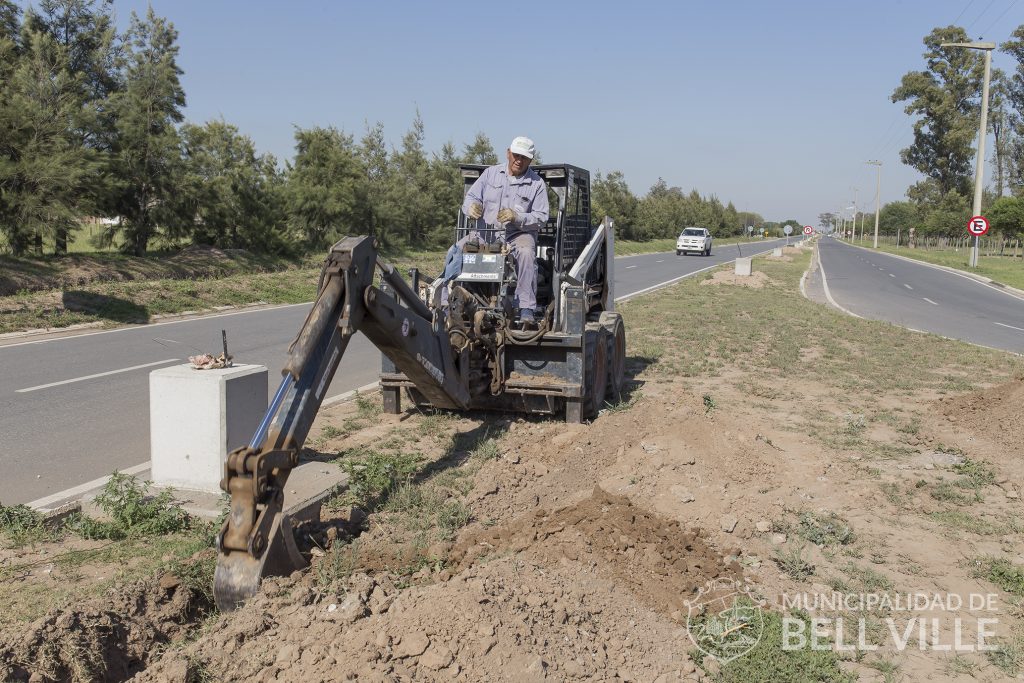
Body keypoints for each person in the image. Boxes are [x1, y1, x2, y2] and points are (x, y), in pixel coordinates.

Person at [458, 136, 549, 325]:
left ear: (530, 160)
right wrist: (472, 207)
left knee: (526, 253)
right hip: (485, 234)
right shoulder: (490, 174)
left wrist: (517, 217)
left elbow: (541, 217)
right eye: (516, 155)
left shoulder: (537, 184)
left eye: (524, 157)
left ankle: (525, 308)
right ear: (508, 153)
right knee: (456, 251)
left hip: (517, 235)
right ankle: (447, 302)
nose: (519, 160)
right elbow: (470, 198)